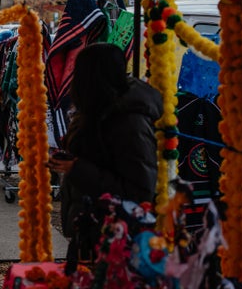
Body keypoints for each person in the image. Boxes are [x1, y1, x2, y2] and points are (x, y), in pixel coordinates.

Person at [47, 42, 162, 238]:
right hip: (90, 228)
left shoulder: (130, 121)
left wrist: (77, 169)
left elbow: (140, 191)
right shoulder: (95, 110)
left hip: (115, 239)